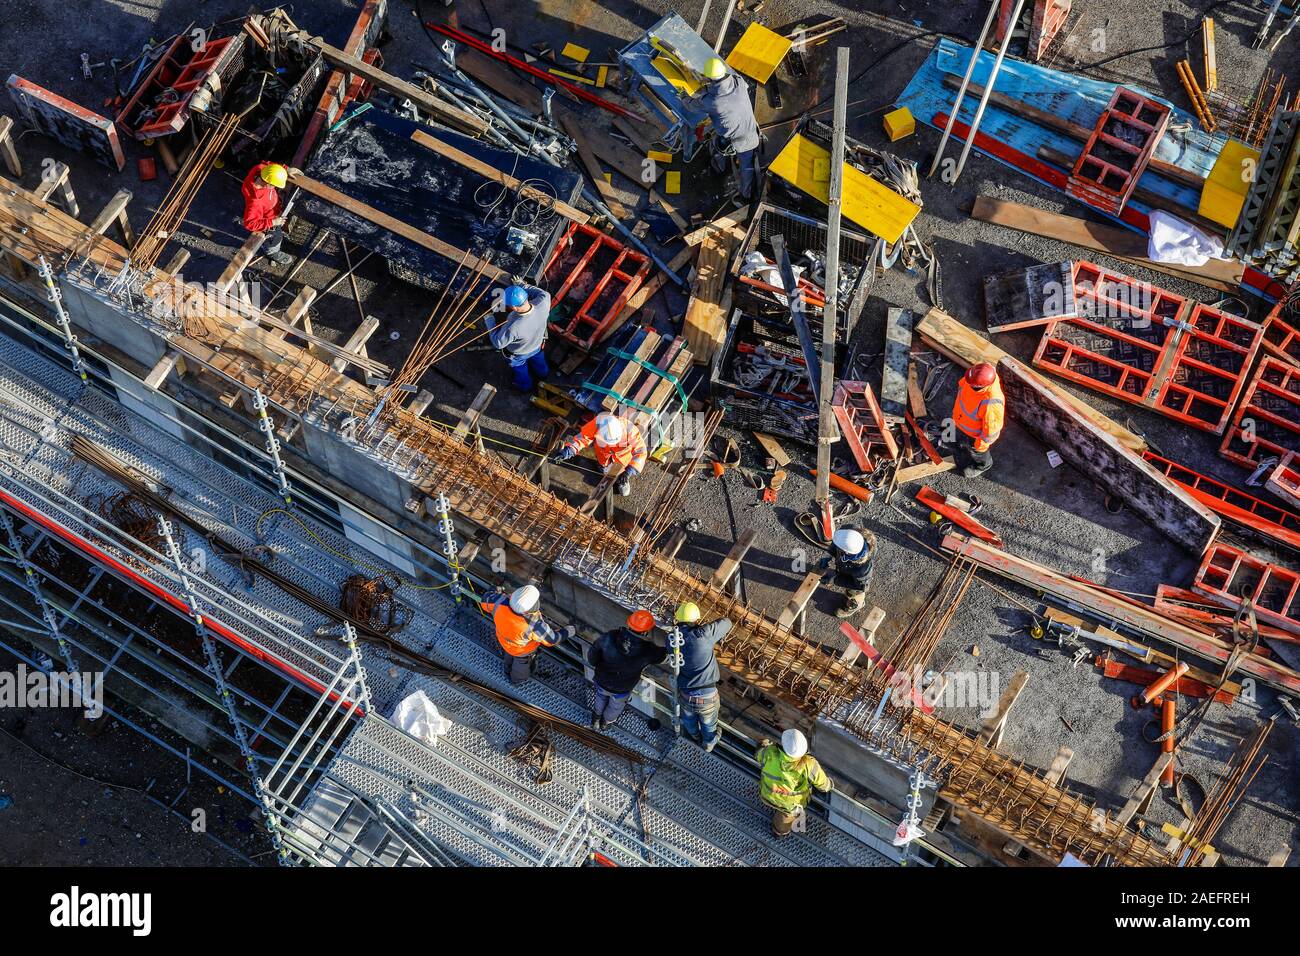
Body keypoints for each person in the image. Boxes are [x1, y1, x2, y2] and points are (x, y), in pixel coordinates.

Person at [691, 57, 761, 202]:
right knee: (741, 159)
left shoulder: (713, 101)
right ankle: (742, 192)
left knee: (745, 167)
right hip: (751, 131)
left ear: (709, 77)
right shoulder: (739, 82)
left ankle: (745, 196)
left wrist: (684, 96)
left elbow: (691, 105)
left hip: (741, 141)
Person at [586, 609, 666, 730]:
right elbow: (663, 656)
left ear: (629, 624)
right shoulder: (648, 651)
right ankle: (605, 723)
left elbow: (593, 654)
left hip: (602, 679)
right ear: (646, 631)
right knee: (615, 707)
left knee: (600, 697)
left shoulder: (610, 637)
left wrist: (595, 664)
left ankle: (596, 718)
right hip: (622, 688)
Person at [478, 584, 570, 685]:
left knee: (509, 656)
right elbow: (552, 640)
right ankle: (517, 680)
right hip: (522, 652)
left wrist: (495, 589)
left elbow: (485, 600)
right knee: (521, 667)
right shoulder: (534, 624)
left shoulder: (498, 602)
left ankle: (507, 669)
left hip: (504, 641)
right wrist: (568, 631)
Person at [671, 601, 731, 752]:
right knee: (708, 725)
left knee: (689, 720)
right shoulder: (703, 634)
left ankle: (695, 737)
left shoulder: (672, 640)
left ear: (678, 619)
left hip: (686, 696)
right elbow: (727, 622)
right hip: (707, 697)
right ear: (696, 620)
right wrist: (705, 627)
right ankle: (708, 744)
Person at [755, 729, 832, 838]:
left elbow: (759, 754)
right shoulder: (808, 764)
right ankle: (779, 832)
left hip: (767, 795)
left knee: (779, 806)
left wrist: (763, 744)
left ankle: (779, 831)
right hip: (790, 806)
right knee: (785, 818)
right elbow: (824, 786)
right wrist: (830, 785)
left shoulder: (769, 753)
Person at [554, 411, 647, 496]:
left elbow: (641, 452)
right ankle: (604, 469)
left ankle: (623, 481)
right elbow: (583, 438)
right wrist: (567, 451)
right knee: (604, 470)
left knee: (622, 475)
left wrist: (628, 472)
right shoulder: (598, 423)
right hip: (603, 457)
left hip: (623, 460)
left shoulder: (630, 430)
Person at [487, 283, 552, 392]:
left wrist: (489, 321)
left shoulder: (513, 327)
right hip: (537, 345)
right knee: (539, 360)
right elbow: (539, 292)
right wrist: (522, 284)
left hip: (519, 354)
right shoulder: (544, 301)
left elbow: (498, 343)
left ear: (513, 307)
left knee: (520, 369)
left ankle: (524, 386)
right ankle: (543, 374)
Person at [950, 362, 1004, 478]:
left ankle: (983, 465)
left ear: (980, 386)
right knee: (961, 442)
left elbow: (991, 432)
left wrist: (981, 445)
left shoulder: (991, 403)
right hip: (960, 423)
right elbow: (961, 385)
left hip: (974, 436)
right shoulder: (972, 377)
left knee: (978, 453)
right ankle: (964, 446)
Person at [241, 161, 293, 266]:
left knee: (278, 234)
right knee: (276, 237)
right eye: (274, 185)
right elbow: (249, 223)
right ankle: (273, 253)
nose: (275, 187)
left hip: (270, 210)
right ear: (268, 183)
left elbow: (268, 164)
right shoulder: (256, 201)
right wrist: (273, 222)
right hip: (267, 220)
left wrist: (284, 170)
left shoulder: (260, 169)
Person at [820, 527, 876, 619]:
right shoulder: (848, 533)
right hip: (844, 567)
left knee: (853, 593)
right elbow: (836, 543)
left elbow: (860, 586)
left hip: (855, 582)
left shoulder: (863, 570)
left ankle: (855, 605)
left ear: (847, 553)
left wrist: (835, 579)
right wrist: (828, 555)